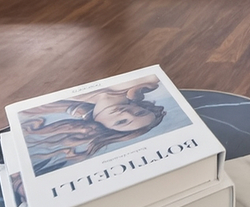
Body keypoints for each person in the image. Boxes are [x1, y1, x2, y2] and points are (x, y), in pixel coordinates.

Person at [19, 73, 168, 175]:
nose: (127, 113)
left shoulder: (68, 102)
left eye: (121, 122)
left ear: (101, 127)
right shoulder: (147, 82)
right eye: (139, 113)